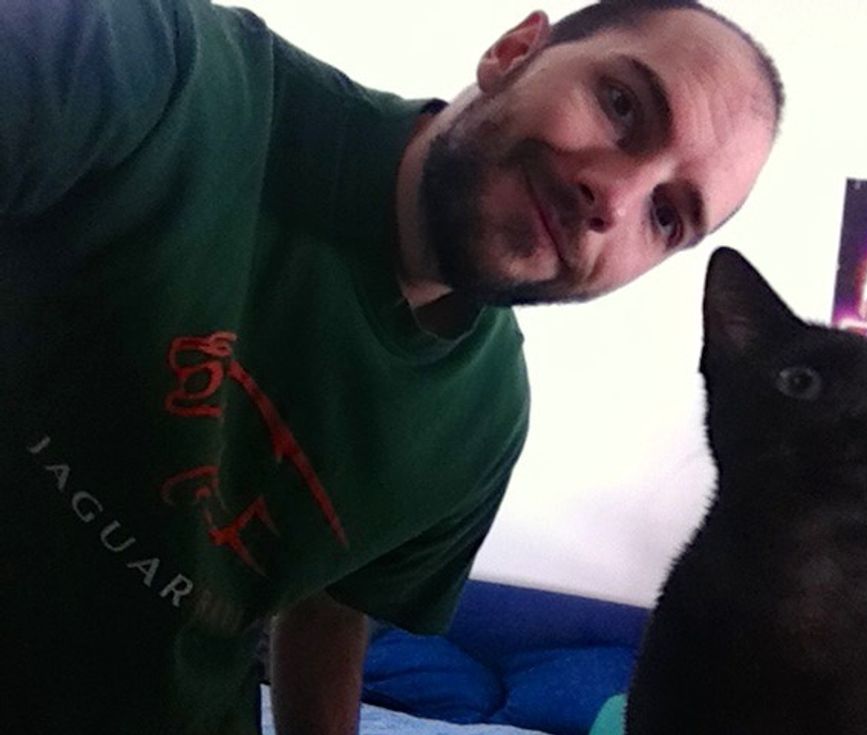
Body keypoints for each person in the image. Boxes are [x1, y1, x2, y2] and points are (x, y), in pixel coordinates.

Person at [0, 0, 782, 733]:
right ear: (514, 52)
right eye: (621, 105)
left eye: (666, 215)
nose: (612, 197)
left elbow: (329, 610)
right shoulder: (161, 72)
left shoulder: (484, 420)